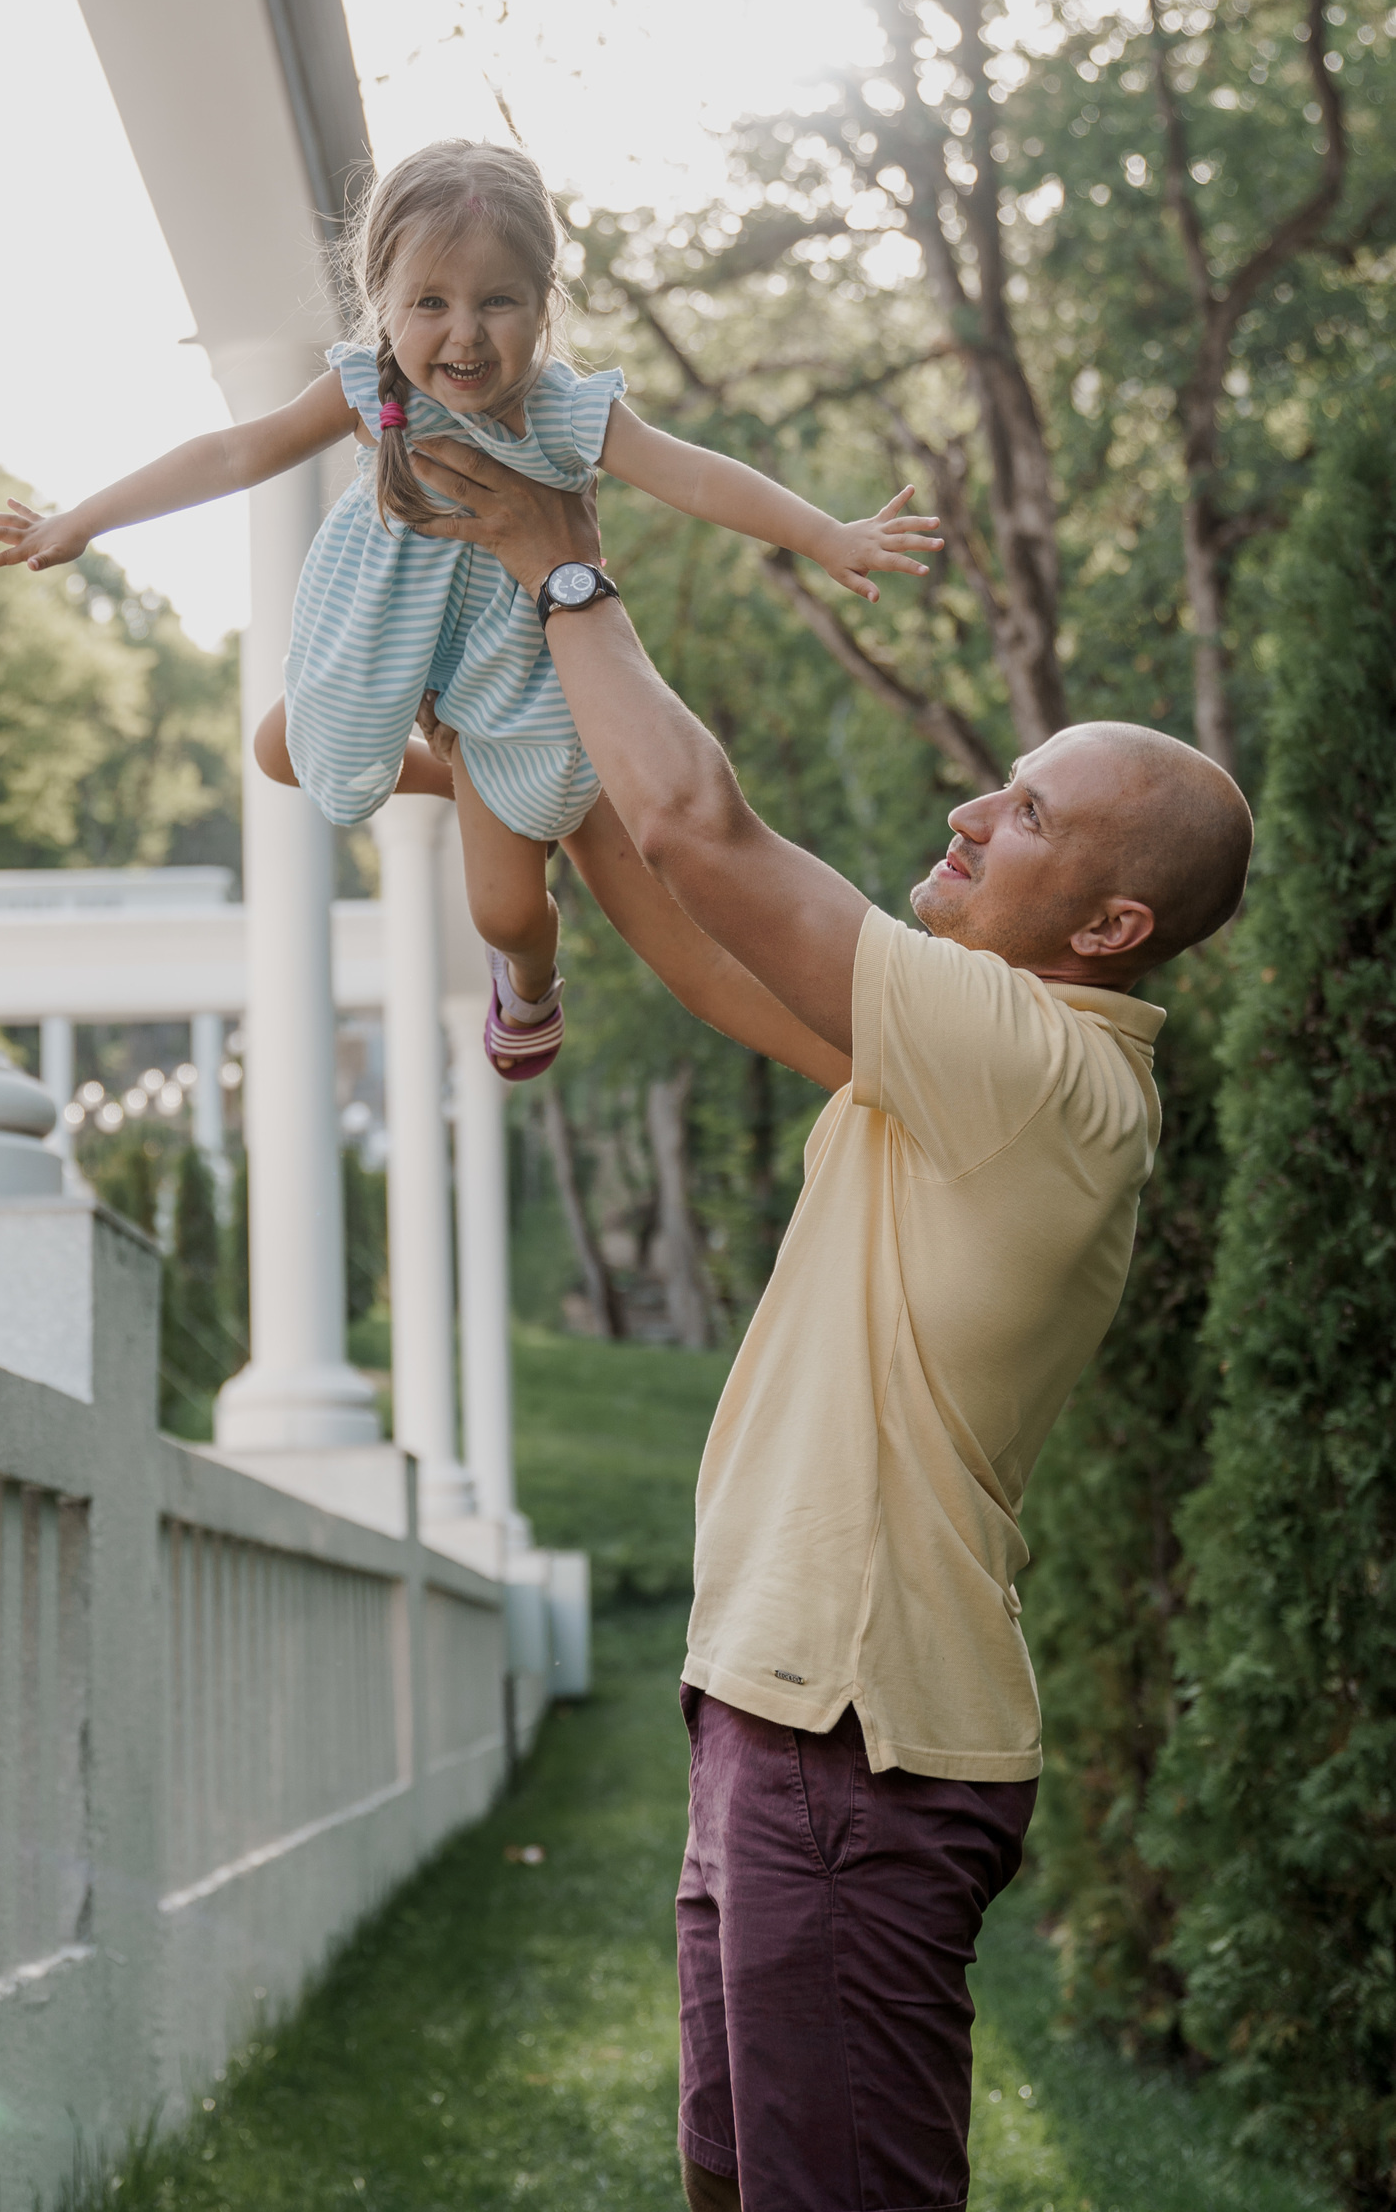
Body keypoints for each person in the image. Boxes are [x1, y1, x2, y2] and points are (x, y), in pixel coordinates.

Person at [392, 433, 1253, 2212]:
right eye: (996, 783)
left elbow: (712, 832)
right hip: (777, 1721)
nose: (967, 813)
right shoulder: (962, 1058)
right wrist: (519, 785)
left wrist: (565, 567)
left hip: (853, 1751)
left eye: (1023, 816)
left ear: (1105, 919)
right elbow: (706, 942)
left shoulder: (1030, 1071)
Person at [0, 139, 936, 1081]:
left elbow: (693, 475)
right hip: (387, 642)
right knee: (275, 752)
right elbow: (233, 453)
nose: (464, 334)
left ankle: (527, 982)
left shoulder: (561, 411)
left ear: (543, 305)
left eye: (497, 301)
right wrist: (82, 519)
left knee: (504, 913)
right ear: (380, 301)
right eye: (430, 302)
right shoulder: (365, 388)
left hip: (514, 682)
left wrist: (823, 535)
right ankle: (465, 781)